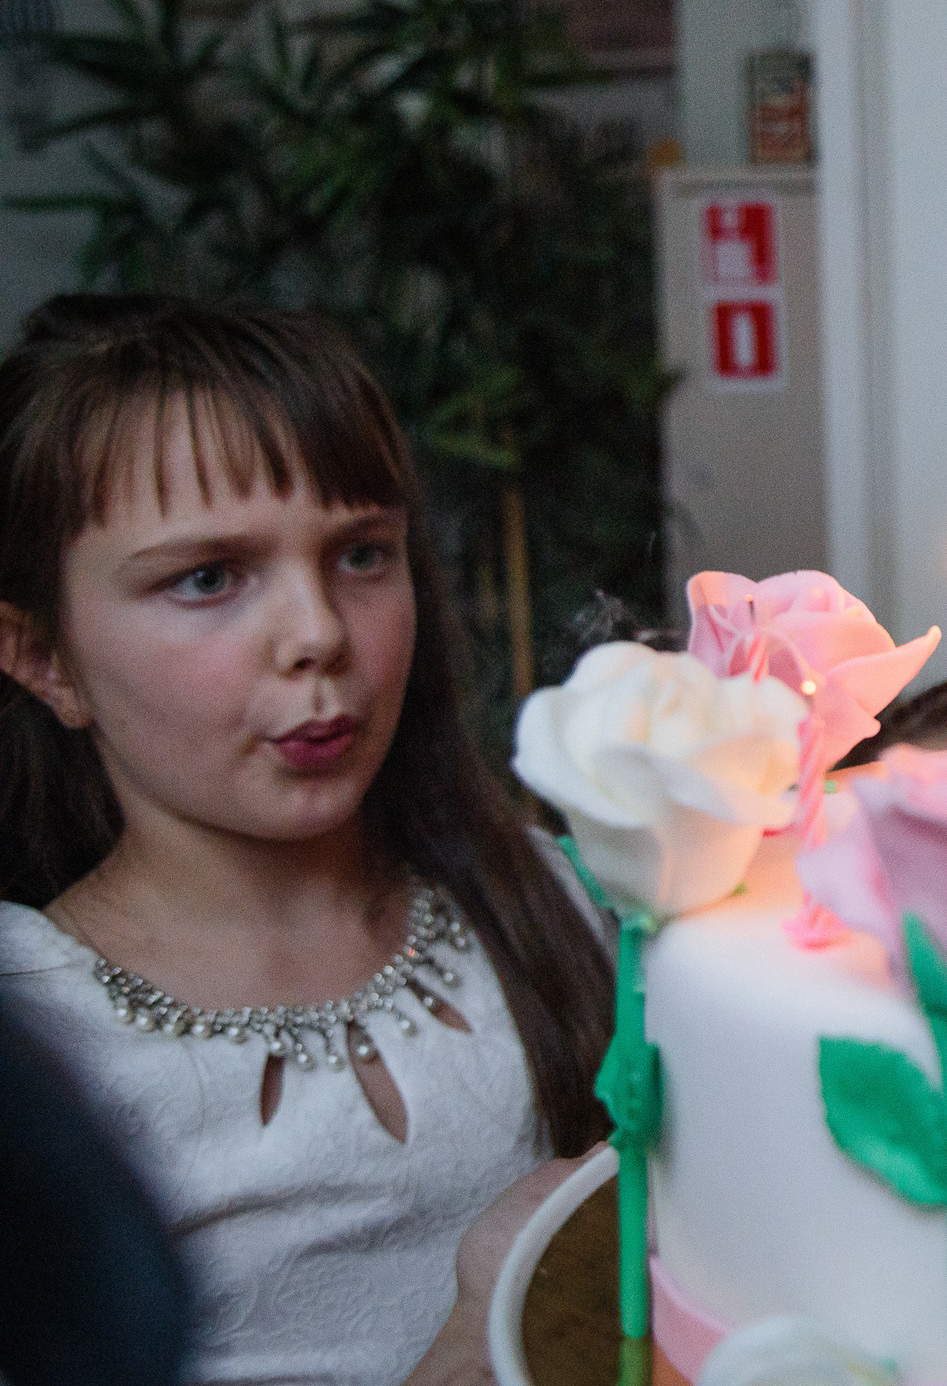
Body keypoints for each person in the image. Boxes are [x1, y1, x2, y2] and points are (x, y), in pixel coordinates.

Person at [0, 295, 615, 1385]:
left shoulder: (544, 900)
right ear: (42, 655)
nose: (319, 634)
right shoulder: (36, 1050)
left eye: (362, 555)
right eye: (208, 578)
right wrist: (480, 1334)